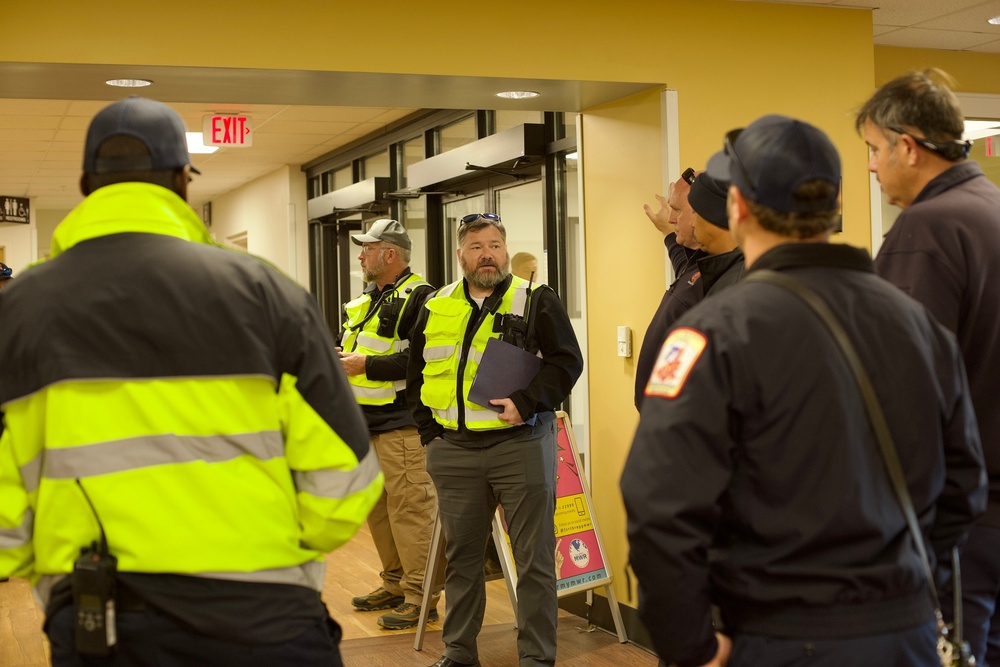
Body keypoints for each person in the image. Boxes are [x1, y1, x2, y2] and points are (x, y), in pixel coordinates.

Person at [0, 96, 383, 666]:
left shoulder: (21, 311)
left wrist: (56, 579)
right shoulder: (267, 295)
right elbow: (345, 482)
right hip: (263, 616)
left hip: (102, 623)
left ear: (86, 184)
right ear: (182, 179)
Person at [621, 114, 987, 667]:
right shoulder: (917, 324)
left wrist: (689, 644)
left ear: (737, 208)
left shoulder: (710, 335)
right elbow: (962, 484)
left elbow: (659, 511)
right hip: (906, 636)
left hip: (777, 638)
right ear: (833, 204)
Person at [857, 69, 1000, 666]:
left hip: (960, 520)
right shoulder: (990, 207)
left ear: (907, 147)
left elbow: (905, 393)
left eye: (873, 149)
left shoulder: (928, 231)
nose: (869, 166)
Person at [407, 212, 583, 667]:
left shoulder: (536, 300)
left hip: (519, 446)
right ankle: (459, 652)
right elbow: (415, 373)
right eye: (476, 246)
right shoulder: (436, 304)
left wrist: (527, 402)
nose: (487, 254)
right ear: (461, 254)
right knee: (462, 558)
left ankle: (537, 658)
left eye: (495, 245)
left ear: (505, 250)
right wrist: (431, 435)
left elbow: (566, 364)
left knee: (534, 560)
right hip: (453, 451)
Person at [340, 218, 439, 630]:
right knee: (378, 510)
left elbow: (421, 361)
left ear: (391, 254)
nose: (361, 255)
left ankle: (421, 595)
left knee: (411, 509)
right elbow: (359, 348)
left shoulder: (422, 298)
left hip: (403, 425)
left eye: (368, 248)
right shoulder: (371, 298)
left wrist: (366, 365)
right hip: (367, 423)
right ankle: (395, 583)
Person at [635, 170, 709, 411]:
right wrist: (668, 235)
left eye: (677, 211)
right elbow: (687, 272)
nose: (672, 219)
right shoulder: (699, 265)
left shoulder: (725, 275)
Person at [688, 171, 745, 295]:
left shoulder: (734, 287)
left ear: (714, 216)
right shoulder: (731, 274)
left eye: (694, 213)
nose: (691, 224)